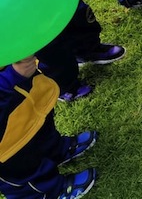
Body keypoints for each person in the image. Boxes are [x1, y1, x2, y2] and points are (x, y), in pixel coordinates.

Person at [0, 56, 97, 199]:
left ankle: (56, 150)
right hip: (5, 143)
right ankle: (50, 193)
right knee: (22, 168)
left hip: (20, 94)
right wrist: (8, 78)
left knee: (39, 128)